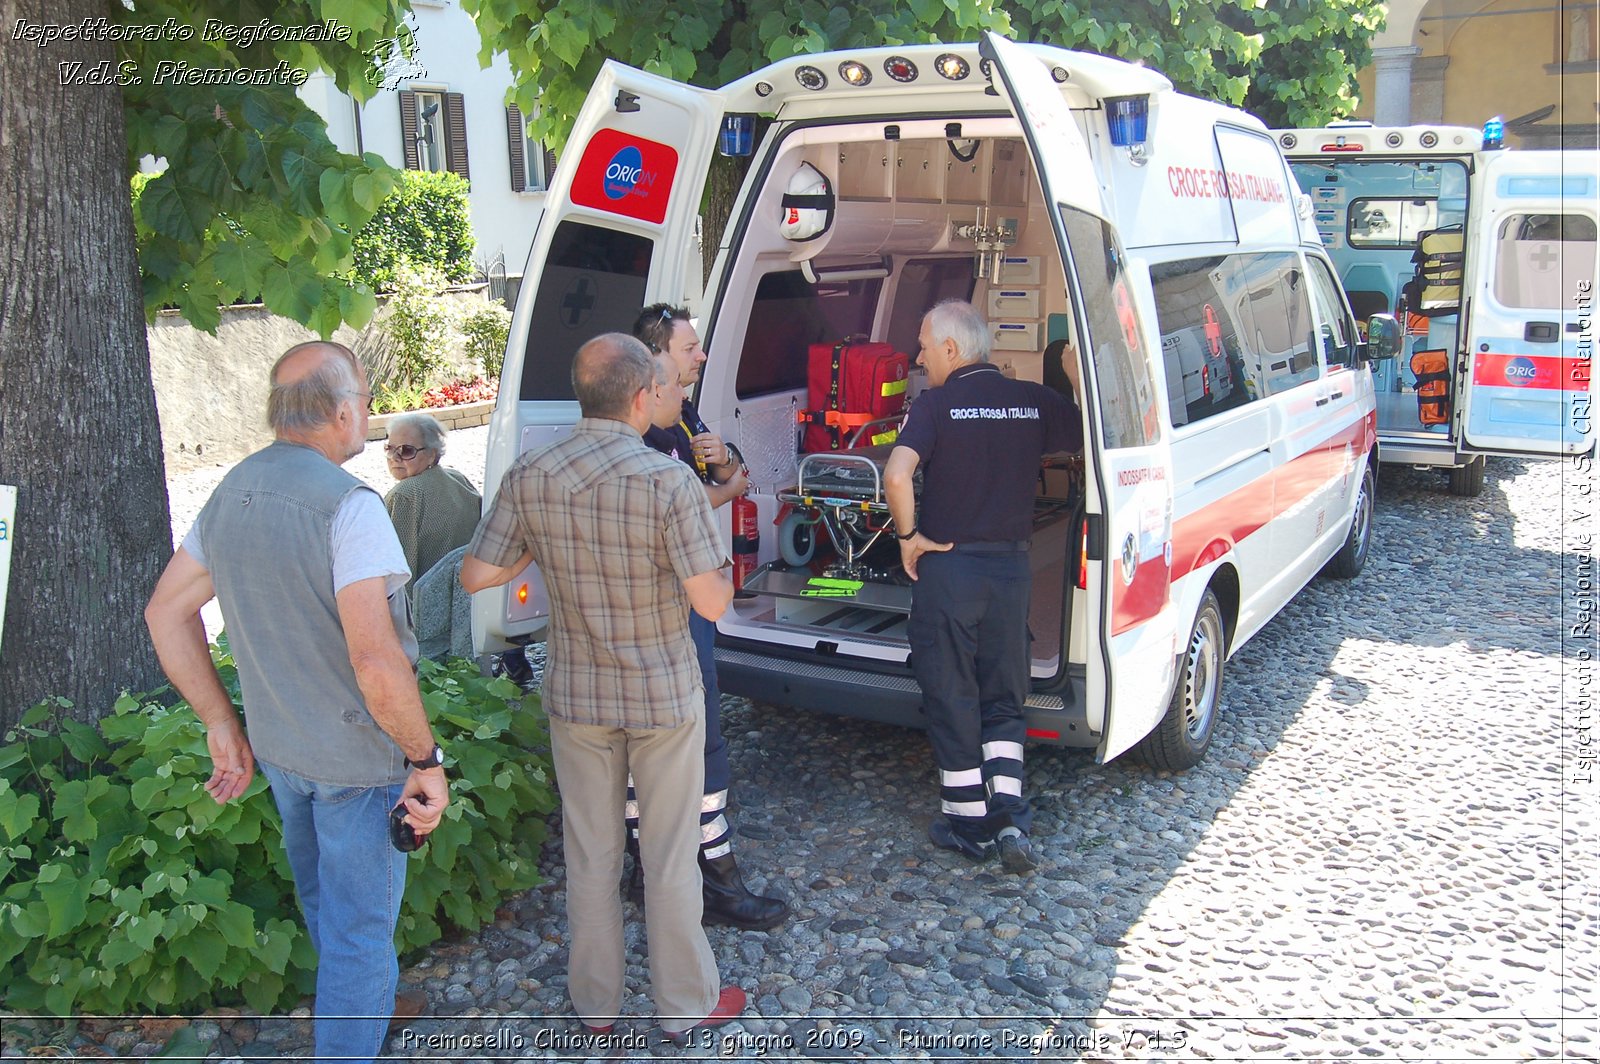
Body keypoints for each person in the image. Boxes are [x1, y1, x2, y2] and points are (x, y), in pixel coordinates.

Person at [144, 341, 450, 1064]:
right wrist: (424, 759)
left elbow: (165, 613)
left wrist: (222, 722)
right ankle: (356, 1018)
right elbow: (376, 661)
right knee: (357, 935)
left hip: (284, 752)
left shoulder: (233, 489)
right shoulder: (350, 506)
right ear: (343, 412)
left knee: (328, 913)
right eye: (367, 402)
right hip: (355, 760)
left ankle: (359, 1005)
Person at [460, 333, 746, 1041]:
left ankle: (596, 1009)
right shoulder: (667, 479)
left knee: (590, 857)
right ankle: (682, 1007)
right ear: (644, 395)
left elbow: (475, 576)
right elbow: (712, 604)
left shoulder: (532, 472)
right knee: (670, 855)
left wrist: (537, 546)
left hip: (578, 698)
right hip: (662, 697)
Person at [884, 300, 1083, 875]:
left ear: (951, 349)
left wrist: (907, 537)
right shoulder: (1033, 401)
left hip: (950, 571)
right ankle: (1012, 814)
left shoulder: (935, 405)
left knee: (952, 696)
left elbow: (897, 475)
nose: (919, 358)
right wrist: (1071, 374)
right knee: (1003, 698)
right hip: (1010, 572)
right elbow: (1083, 435)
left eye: (924, 347)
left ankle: (969, 823)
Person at [629, 303, 790, 931]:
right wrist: (720, 491)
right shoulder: (637, 433)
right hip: (673, 604)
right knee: (698, 738)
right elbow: (686, 505)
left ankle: (662, 870)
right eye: (690, 347)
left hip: (683, 601)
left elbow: (735, 478)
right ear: (657, 359)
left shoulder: (683, 419)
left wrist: (721, 461)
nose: (701, 355)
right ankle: (710, 879)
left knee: (684, 736)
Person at [383, 412, 482, 595]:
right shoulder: (457, 478)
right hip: (467, 598)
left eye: (406, 451)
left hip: (426, 607)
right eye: (389, 448)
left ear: (431, 454)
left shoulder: (404, 495)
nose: (394, 458)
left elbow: (397, 576)